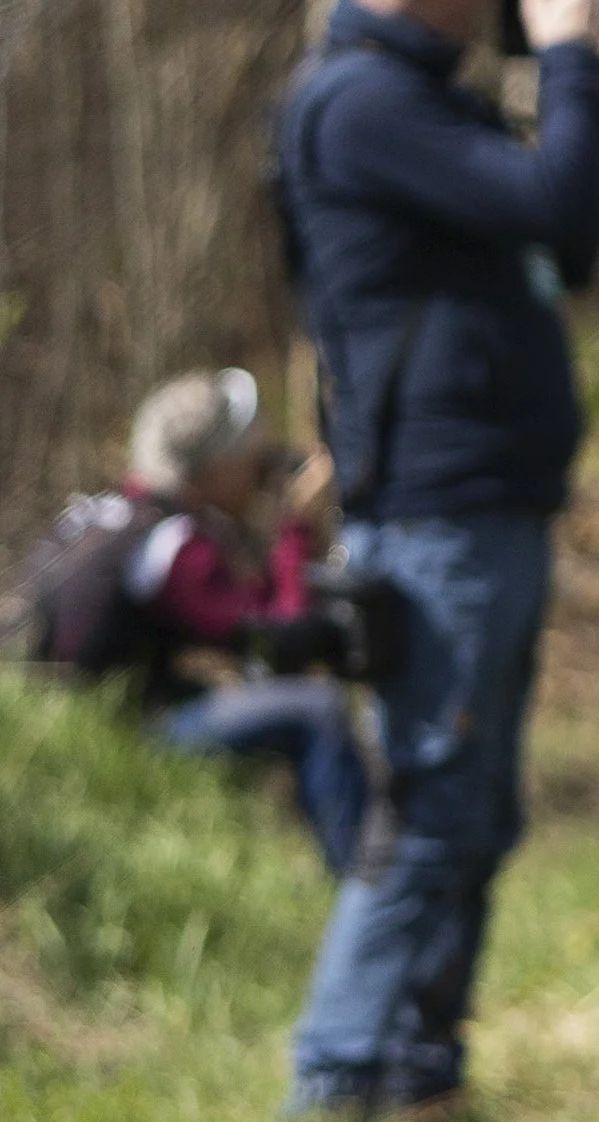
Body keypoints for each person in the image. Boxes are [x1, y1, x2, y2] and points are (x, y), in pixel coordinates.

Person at [273, 0, 599, 1122]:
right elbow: (546, 197)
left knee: (478, 810)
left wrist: (596, 95)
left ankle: (418, 1076)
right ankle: (340, 1077)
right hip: (436, 516)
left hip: (481, 505)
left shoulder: (417, 102)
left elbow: (564, 237)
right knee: (437, 800)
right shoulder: (359, 104)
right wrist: (564, 68)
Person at [10, 367, 369, 875]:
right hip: (119, 735)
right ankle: (367, 887)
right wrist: (297, 527)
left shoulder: (97, 515)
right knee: (319, 710)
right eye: (244, 454)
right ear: (206, 475)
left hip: (61, 722)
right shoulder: (173, 547)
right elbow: (280, 640)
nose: (257, 465)